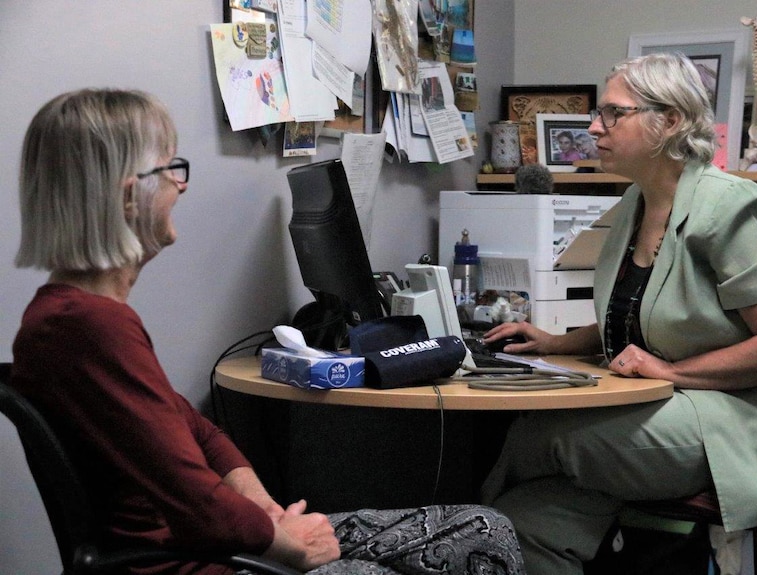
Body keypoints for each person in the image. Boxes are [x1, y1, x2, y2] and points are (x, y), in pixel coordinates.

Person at [10, 89, 525, 575]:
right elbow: (197, 503)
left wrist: (269, 514)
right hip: (199, 563)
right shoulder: (88, 327)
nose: (181, 184)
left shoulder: (78, 317)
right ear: (129, 196)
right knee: (467, 539)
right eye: (171, 168)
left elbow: (198, 433)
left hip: (227, 541)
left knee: (486, 529)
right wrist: (287, 542)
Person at [480, 52, 757, 574]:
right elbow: (648, 316)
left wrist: (675, 372)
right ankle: (473, 525)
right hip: (662, 406)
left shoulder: (730, 206)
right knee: (520, 524)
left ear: (671, 121)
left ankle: (445, 521)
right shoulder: (632, 207)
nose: (594, 126)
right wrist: (555, 343)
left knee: (540, 438)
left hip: (734, 421)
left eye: (614, 113)